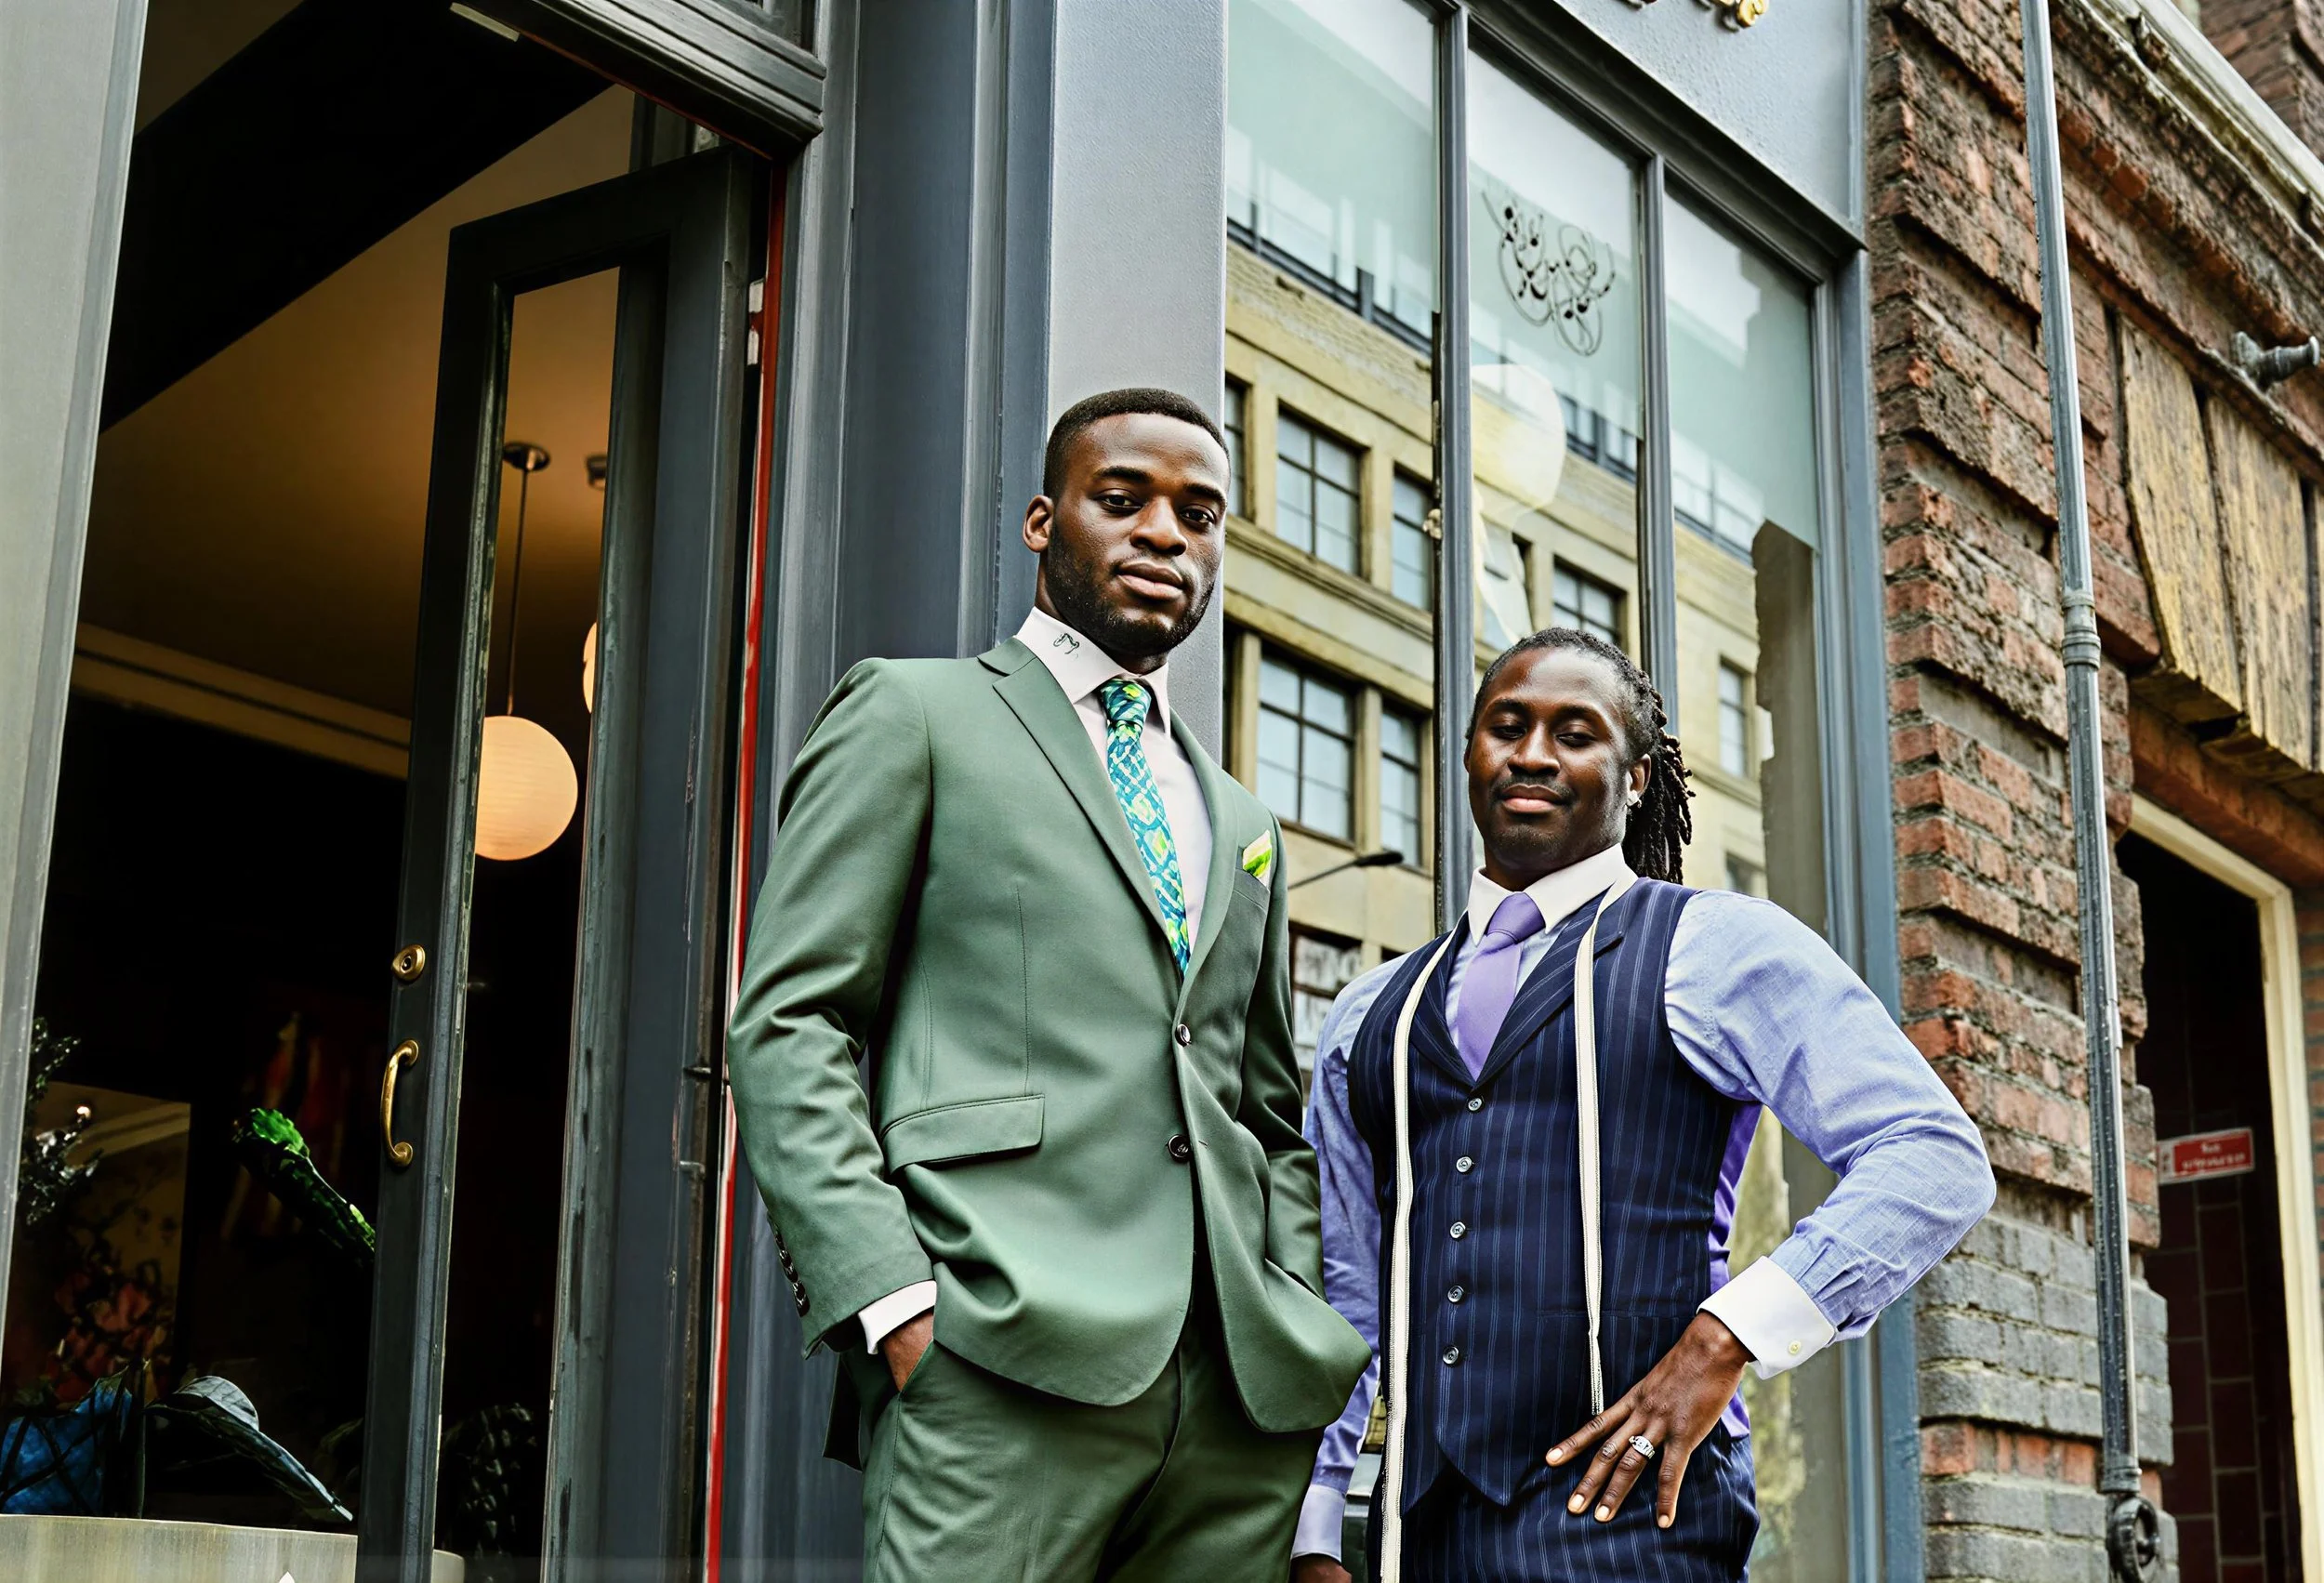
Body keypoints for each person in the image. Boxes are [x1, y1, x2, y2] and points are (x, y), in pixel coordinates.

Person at [728, 387, 1369, 1581]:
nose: (1165, 535)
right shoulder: (916, 713)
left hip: (1229, 1397)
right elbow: (790, 1019)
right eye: (1121, 501)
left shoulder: (1238, 814)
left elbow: (1261, 1103)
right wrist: (891, 1302)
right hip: (998, 1353)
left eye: (1199, 513)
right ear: (1042, 521)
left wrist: (1285, 1300)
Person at [1291, 628, 1996, 1581]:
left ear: (1634, 776)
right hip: (1420, 1540)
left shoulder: (1717, 949)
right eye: (1506, 726)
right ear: (1469, 755)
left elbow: (1930, 1154)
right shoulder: (1368, 1014)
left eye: (1574, 731)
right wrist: (1319, 1526)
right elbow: (1347, 1295)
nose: (1532, 753)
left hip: (1641, 1532)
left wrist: (1728, 1334)